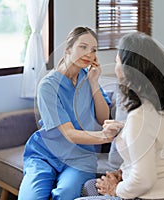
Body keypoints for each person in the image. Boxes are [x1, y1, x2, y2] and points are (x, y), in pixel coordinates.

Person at [78, 32, 164, 200]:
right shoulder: (158, 104)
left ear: (128, 70)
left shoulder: (140, 117)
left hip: (160, 195)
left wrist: (116, 189)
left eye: (117, 61)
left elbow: (145, 180)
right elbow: (151, 140)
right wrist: (122, 172)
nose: (115, 66)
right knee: (90, 186)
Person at [18, 26, 122, 200]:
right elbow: (69, 133)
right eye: (83, 47)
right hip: (46, 155)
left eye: (93, 49)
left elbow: (103, 118)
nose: (89, 53)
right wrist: (104, 137)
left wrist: (94, 83)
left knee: (66, 194)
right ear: (68, 49)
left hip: (80, 157)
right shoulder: (48, 86)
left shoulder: (87, 79)